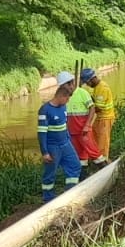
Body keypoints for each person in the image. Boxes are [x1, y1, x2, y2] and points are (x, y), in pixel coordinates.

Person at [39, 72, 83, 202]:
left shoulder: (63, 107)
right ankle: (48, 198)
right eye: (67, 98)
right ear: (61, 96)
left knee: (75, 165)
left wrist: (68, 139)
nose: (68, 101)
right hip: (53, 147)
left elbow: (64, 126)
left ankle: (70, 192)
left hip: (65, 144)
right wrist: (45, 152)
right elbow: (41, 133)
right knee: (50, 173)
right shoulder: (45, 110)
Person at [66, 72, 102, 164]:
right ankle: (84, 175)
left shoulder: (82, 93)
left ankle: (106, 168)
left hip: (83, 130)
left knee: (94, 152)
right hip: (73, 132)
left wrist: (87, 125)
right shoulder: (66, 96)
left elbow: (92, 108)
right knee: (81, 156)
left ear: (71, 83)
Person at [82, 68, 115, 164]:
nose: (87, 85)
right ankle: (99, 160)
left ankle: (105, 162)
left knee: (102, 142)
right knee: (95, 139)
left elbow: (98, 108)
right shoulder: (97, 88)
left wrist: (87, 108)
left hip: (105, 118)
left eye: (87, 83)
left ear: (91, 79)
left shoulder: (103, 88)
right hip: (100, 118)